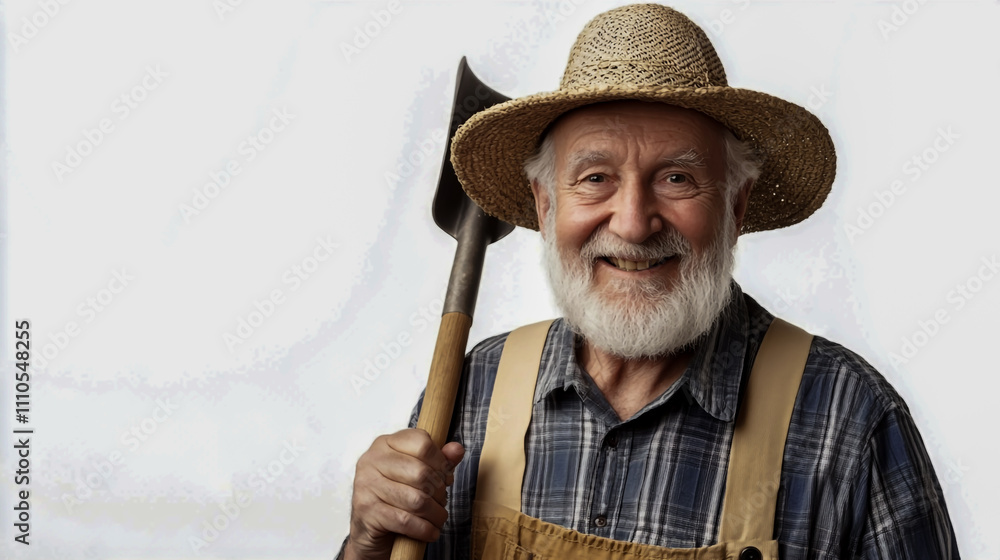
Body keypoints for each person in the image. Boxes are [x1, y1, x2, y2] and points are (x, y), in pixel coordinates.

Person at [338, 4, 959, 559]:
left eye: (677, 179)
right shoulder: (473, 391)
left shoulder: (849, 422)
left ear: (735, 207)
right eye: (595, 177)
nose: (633, 225)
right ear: (546, 204)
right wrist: (367, 544)